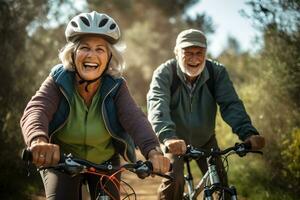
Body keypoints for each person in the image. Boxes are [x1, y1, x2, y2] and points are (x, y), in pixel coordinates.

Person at [20, 11, 170, 200]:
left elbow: (135, 118)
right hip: (62, 161)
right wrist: (38, 141)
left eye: (100, 49)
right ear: (73, 54)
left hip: (105, 162)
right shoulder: (59, 79)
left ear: (109, 58)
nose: (92, 55)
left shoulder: (116, 85)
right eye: (85, 48)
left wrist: (153, 151)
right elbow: (37, 109)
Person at [147, 29, 265, 200]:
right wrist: (167, 137)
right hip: (173, 140)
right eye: (188, 53)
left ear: (206, 53)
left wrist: (248, 133)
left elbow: (230, 104)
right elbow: (157, 106)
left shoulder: (217, 72)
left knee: (222, 186)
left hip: (206, 140)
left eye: (199, 53)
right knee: (174, 180)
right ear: (176, 52)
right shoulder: (164, 73)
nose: (194, 59)